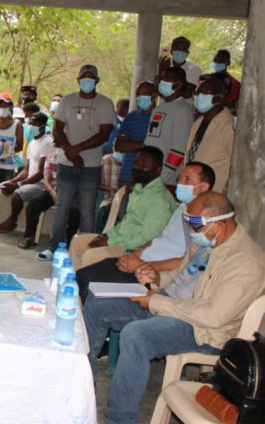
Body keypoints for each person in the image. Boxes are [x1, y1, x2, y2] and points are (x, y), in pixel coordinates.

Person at [84, 191, 265, 424]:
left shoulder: (245, 264)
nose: (191, 233)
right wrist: (158, 278)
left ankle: (119, 420)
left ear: (219, 225)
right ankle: (83, 380)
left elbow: (213, 317)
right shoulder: (210, 239)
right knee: (97, 304)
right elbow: (184, 276)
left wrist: (157, 302)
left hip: (203, 330)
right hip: (172, 304)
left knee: (137, 335)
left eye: (195, 227)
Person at [76, 162, 215, 302]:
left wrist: (143, 266)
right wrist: (135, 253)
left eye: (187, 180)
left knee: (92, 292)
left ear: (203, 187)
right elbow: (160, 238)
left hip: (153, 274)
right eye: (180, 178)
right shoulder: (182, 208)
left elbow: (189, 261)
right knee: (80, 277)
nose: (180, 183)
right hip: (141, 261)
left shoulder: (205, 221)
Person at [39, 64, 115, 261]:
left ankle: (86, 250)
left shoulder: (106, 103)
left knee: (88, 210)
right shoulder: (68, 100)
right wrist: (71, 154)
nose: (87, 80)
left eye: (91, 77)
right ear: (78, 79)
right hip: (66, 163)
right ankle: (53, 247)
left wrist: (77, 150)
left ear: (97, 80)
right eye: (84, 77)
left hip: (90, 166)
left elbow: (104, 134)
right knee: (61, 207)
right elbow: (57, 129)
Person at [70, 147, 176, 269]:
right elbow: (127, 220)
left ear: (158, 170)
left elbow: (148, 238)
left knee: (92, 255)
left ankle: (84, 286)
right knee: (78, 242)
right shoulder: (140, 188)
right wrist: (107, 235)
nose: (138, 167)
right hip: (121, 240)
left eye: (145, 164)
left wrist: (110, 242)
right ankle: (72, 283)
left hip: (136, 248)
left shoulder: (160, 200)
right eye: (136, 163)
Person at [0, 112, 53, 244]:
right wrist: (11, 181)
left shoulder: (47, 142)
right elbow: (26, 170)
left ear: (43, 125)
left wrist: (18, 185)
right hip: (31, 180)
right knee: (5, 186)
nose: (30, 126)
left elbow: (40, 173)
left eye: (34, 123)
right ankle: (12, 218)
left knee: (18, 194)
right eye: (30, 122)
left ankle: (12, 220)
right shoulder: (32, 143)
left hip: (42, 183)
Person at [144, 67, 194, 189]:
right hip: (149, 174)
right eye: (162, 78)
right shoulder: (158, 108)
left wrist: (163, 177)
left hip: (165, 179)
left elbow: (179, 148)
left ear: (178, 85)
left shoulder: (183, 110)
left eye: (167, 79)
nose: (162, 82)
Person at [20, 148, 80, 249]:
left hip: (71, 193)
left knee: (75, 212)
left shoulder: (75, 159)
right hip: (53, 191)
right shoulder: (51, 156)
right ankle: (29, 237)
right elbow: (46, 180)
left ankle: (70, 245)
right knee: (33, 204)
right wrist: (53, 193)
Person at [185, 76, 234, 192]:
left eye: (206, 92)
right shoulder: (198, 122)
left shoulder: (228, 126)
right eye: (198, 92)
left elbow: (237, 165)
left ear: (219, 98)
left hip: (214, 193)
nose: (199, 96)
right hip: (192, 190)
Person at [114, 81, 155, 188]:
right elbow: (119, 145)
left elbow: (157, 149)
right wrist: (143, 146)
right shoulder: (131, 117)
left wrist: (131, 145)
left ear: (154, 95)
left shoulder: (161, 116)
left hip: (148, 180)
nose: (141, 98)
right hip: (126, 175)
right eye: (138, 94)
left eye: (144, 94)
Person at [158, 36, 202, 101]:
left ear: (187, 53)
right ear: (171, 51)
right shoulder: (163, 65)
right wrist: (161, 70)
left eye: (184, 50)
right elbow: (156, 90)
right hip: (163, 107)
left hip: (184, 107)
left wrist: (163, 74)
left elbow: (187, 94)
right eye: (177, 49)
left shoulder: (195, 69)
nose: (180, 52)